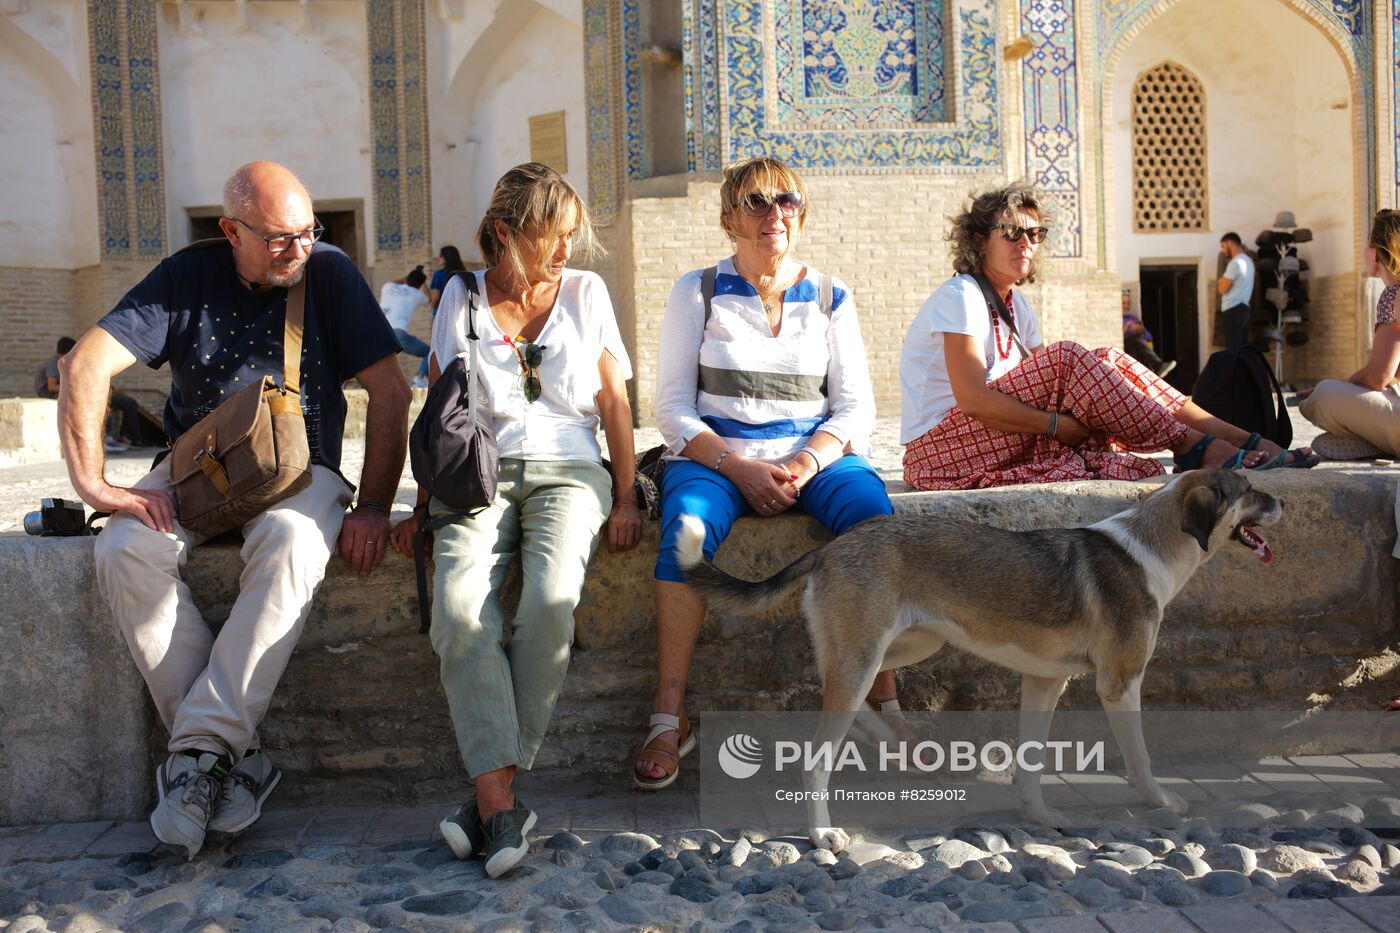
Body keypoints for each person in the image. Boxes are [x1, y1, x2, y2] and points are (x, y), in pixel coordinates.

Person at [59, 161, 411, 858]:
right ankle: (228, 758)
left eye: (308, 233)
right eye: (281, 238)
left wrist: (372, 506)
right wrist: (98, 488)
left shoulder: (331, 272)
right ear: (231, 231)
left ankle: (198, 759)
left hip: (300, 466)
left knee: (291, 541)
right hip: (202, 467)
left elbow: (392, 393)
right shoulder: (185, 276)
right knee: (124, 546)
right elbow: (84, 366)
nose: (300, 250)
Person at [389, 162, 641, 878]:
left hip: (571, 471)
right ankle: (500, 798)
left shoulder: (586, 293)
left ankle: (489, 796)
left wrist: (625, 496)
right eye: (551, 236)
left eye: (571, 235)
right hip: (478, 476)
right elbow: (437, 410)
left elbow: (615, 404)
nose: (566, 250)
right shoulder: (459, 297)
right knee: (459, 608)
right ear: (505, 233)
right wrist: (418, 505)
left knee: (548, 605)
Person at [635, 156, 896, 791]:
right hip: (718, 460)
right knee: (685, 533)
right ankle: (669, 717)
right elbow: (671, 407)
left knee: (875, 526)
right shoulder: (696, 291)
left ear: (800, 216)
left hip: (812, 458)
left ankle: (883, 704)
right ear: (729, 218)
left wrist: (805, 461)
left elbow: (855, 405)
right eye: (756, 203)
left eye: (786, 202)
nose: (773, 214)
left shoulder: (832, 296)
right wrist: (739, 466)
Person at [900, 182, 1315, 492]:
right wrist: (1053, 426)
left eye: (1035, 234)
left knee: (1107, 359)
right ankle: (1198, 446)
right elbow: (974, 399)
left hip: (991, 440)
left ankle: (1239, 437)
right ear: (979, 240)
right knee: (1066, 358)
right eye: (1011, 232)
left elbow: (1048, 387)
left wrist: (1062, 419)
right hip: (939, 451)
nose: (1025, 243)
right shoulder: (961, 296)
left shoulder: (1017, 306)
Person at [1301, 211, 1400, 485]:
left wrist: (1343, 383)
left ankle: (1375, 440)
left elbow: (1378, 377)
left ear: (1378, 253)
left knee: (1322, 395)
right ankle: (1376, 439)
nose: (1363, 250)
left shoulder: (1393, 294)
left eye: (1368, 243)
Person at [38, 336, 148, 451]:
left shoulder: (64, 362)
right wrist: (78, 387)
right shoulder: (54, 363)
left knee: (118, 402)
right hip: (54, 396)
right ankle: (106, 439)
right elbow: (52, 387)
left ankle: (119, 437)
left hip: (68, 392)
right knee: (98, 403)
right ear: (68, 351)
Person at [380, 264, 432, 387]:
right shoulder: (417, 294)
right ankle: (420, 378)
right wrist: (423, 282)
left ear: (406, 279)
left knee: (380, 361)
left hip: (379, 333)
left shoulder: (387, 287)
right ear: (420, 284)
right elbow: (430, 298)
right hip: (397, 334)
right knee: (429, 353)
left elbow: (393, 282)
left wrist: (408, 277)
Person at [1219, 232, 1256, 350]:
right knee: (1242, 349)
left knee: (1233, 350)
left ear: (1230, 243)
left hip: (1233, 309)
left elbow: (1222, 289)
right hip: (1243, 308)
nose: (1224, 251)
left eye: (1224, 246)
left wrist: (1221, 281)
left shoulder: (1235, 263)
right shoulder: (1248, 261)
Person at [430, 244, 468, 310]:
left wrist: (432, 305)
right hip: (460, 311)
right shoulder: (464, 274)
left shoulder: (439, 274)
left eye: (440, 255)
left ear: (446, 257)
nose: (438, 258)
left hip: (442, 312)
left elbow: (435, 296)